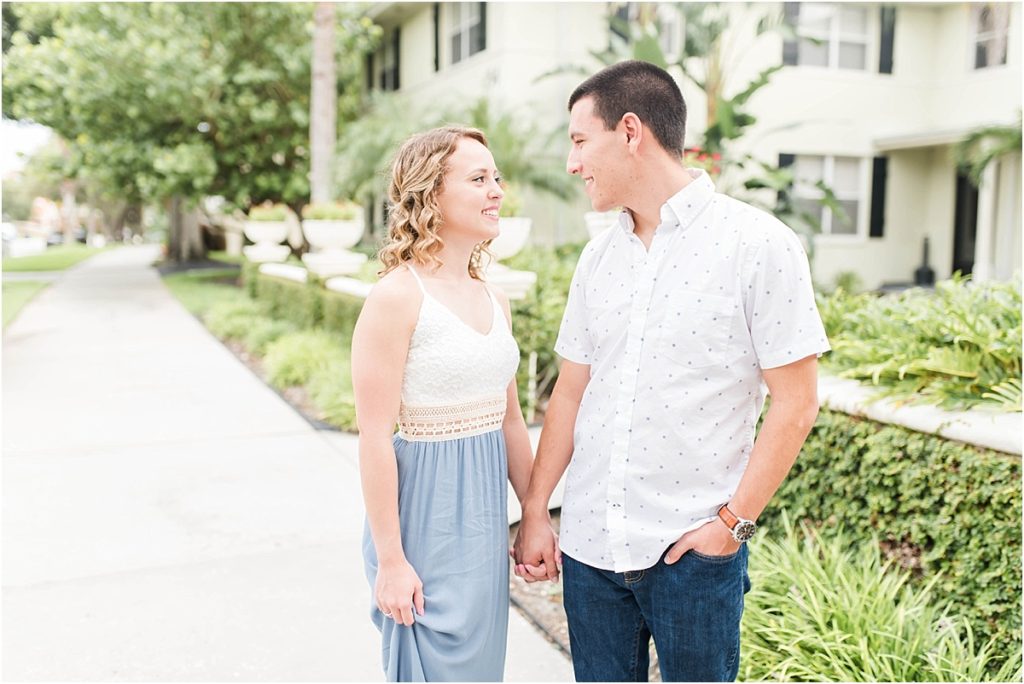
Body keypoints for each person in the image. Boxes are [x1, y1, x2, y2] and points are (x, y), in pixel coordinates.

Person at [513, 60, 831, 682]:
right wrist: (534, 511)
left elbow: (797, 403)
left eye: (580, 141)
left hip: (691, 556)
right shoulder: (596, 257)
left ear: (630, 131)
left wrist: (730, 527)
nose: (573, 163)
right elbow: (571, 396)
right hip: (589, 551)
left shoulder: (759, 245)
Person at [352, 126, 534, 682]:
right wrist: (391, 560)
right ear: (430, 193)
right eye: (478, 179)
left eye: (496, 177)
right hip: (422, 524)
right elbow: (374, 437)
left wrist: (534, 515)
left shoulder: (495, 297)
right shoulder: (396, 297)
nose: (496, 190)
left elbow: (510, 420)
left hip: (482, 524)